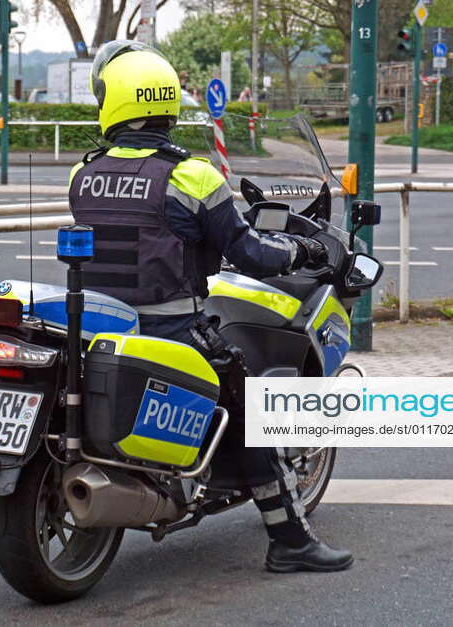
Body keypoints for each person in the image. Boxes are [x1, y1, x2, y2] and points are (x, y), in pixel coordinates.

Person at [68, 39, 354, 573]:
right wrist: (305, 247)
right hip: (170, 330)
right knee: (252, 410)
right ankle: (290, 541)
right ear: (165, 103)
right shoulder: (192, 175)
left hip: (98, 328)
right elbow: (250, 253)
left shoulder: (83, 174)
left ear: (113, 101)